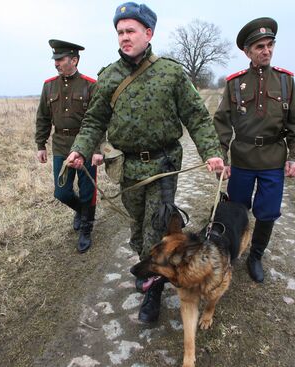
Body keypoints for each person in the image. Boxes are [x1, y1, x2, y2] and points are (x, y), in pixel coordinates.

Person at [66, 2, 224, 323]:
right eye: (120, 32)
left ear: (148, 33)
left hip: (164, 164)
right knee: (137, 227)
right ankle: (145, 260)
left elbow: (196, 116)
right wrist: (81, 149)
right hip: (129, 168)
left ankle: (153, 291)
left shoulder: (171, 73)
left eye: (130, 31)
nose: (124, 37)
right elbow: (94, 120)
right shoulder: (108, 77)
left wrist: (210, 151)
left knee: (156, 226)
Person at [213, 17, 295, 283]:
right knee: (238, 210)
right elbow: (221, 123)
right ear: (247, 52)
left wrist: (294, 156)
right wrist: (221, 157)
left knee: (267, 212)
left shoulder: (286, 82)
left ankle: (255, 255)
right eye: (259, 47)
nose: (266, 51)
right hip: (242, 159)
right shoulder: (235, 83)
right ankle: (235, 249)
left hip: (273, 161)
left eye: (270, 45)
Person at [35, 39, 103, 253]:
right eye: (55, 59)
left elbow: (99, 121)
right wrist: (41, 144)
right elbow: (43, 118)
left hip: (86, 145)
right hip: (61, 146)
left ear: (74, 60)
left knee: (86, 190)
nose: (56, 63)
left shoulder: (91, 85)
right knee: (61, 192)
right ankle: (82, 212)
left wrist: (98, 150)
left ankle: (86, 228)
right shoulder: (49, 86)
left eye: (60, 59)